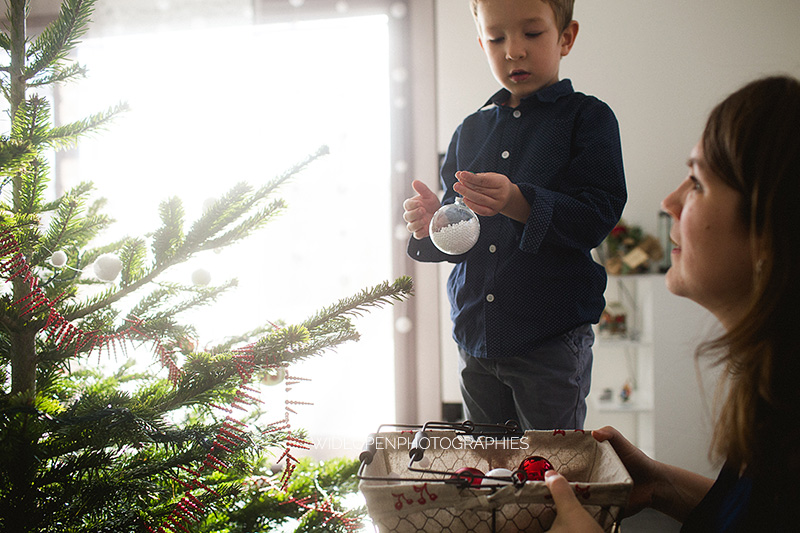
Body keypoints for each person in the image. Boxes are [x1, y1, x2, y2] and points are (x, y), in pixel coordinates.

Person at [544, 75, 800, 531]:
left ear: (771, 229)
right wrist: (662, 486)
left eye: (697, 183)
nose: (669, 201)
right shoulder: (774, 391)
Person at [402, 0, 626, 431]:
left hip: (549, 339)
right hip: (476, 337)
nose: (513, 50)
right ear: (481, 42)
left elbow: (597, 216)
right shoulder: (469, 131)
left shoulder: (588, 119)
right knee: (487, 473)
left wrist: (518, 201)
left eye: (532, 33)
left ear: (566, 37)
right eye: (496, 37)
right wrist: (435, 222)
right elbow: (458, 233)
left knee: (549, 470)